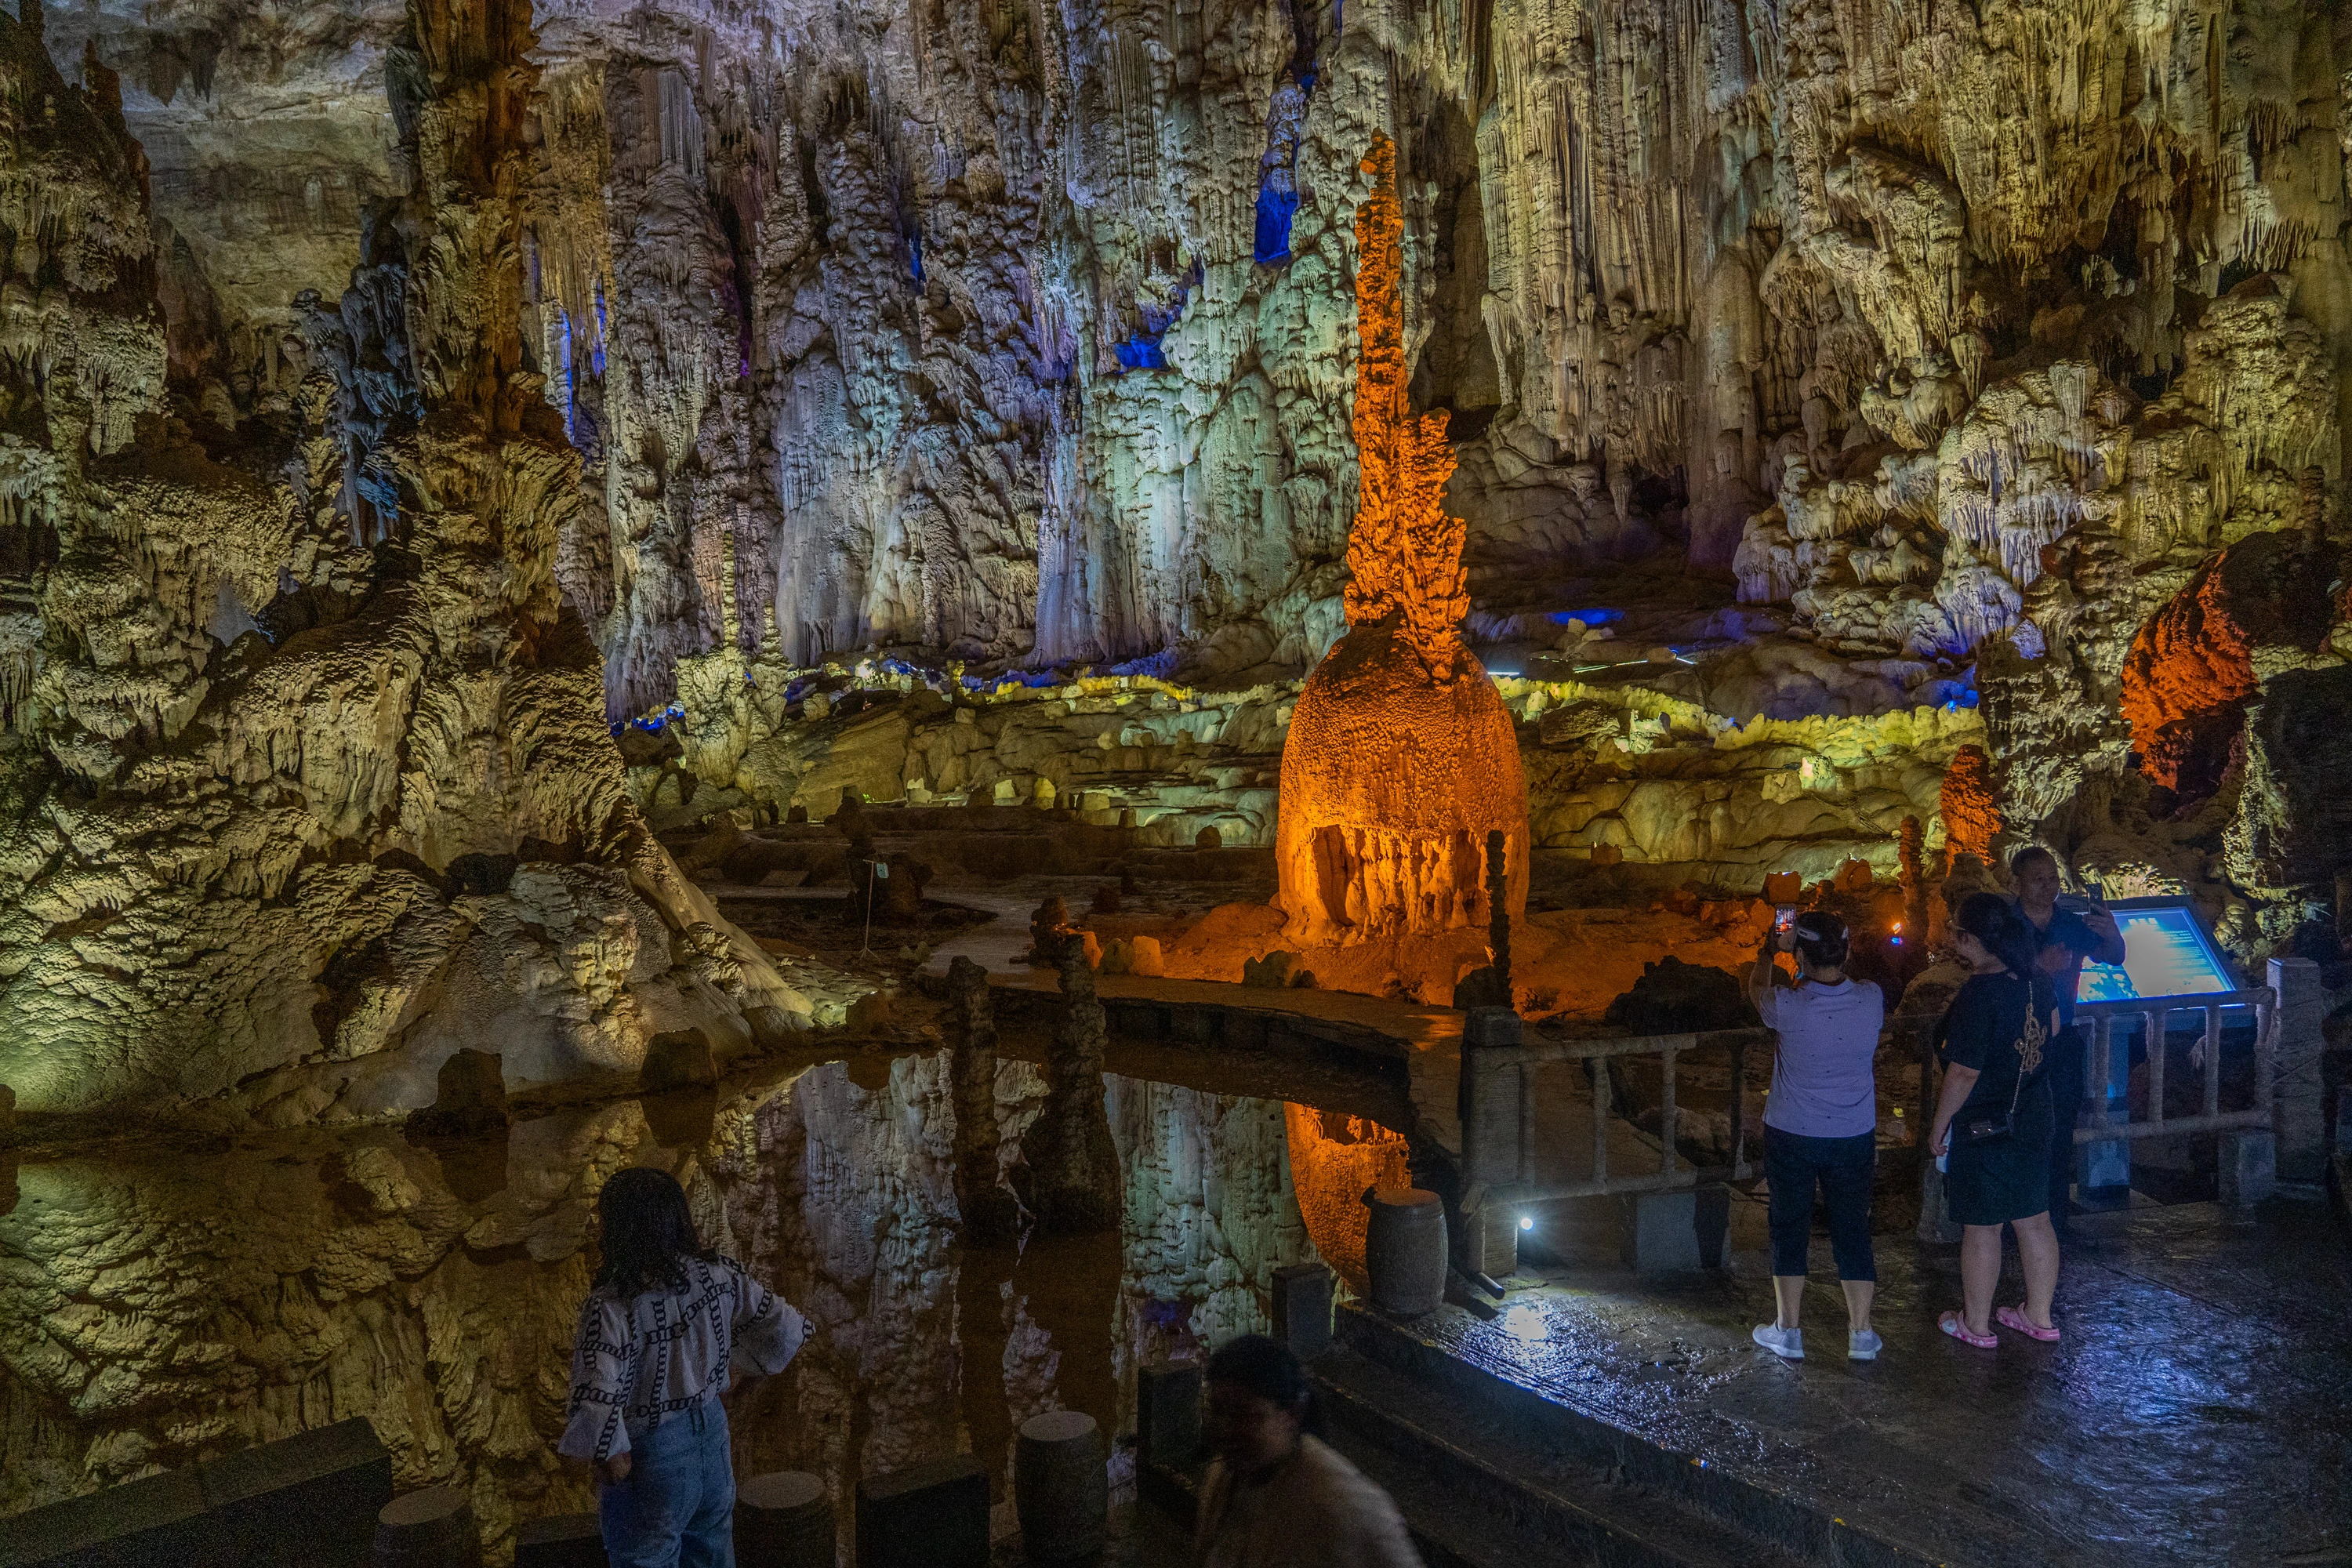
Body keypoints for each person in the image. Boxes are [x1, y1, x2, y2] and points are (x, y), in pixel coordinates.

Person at [561, 1167, 807, 1568]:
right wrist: (725, 1372)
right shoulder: (718, 1276)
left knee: (647, 1557)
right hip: (712, 1439)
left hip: (653, 1456)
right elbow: (785, 1327)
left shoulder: (614, 1304)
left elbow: (598, 1394)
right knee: (712, 1555)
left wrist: (611, 1459)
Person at [1744, 911, 1886, 1362]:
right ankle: (1861, 1334)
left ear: (1800, 955)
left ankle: (1788, 1330)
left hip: (1793, 1132)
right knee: (1852, 1228)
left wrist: (1771, 951)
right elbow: (1844, 981)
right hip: (1853, 1133)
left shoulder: (1787, 1005)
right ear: (1846, 952)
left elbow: (1755, 991)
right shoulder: (1872, 999)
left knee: (1789, 1226)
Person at [1929, 893, 2065, 1348]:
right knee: (2034, 1217)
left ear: (1974, 940)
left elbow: (1964, 1071)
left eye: (1956, 930)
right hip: (2034, 1112)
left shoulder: (1978, 995)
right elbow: (2055, 1028)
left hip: (1986, 1123)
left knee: (1983, 1225)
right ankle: (2039, 1316)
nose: (1951, 937)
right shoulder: (2036, 979)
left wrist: (1938, 1125)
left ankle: (1978, 1324)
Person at [1194, 1334, 1422, 1568]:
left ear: (1293, 1413)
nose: (1224, 1429)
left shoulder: (1341, 1506)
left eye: (1243, 1415)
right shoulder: (1226, 1477)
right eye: (1217, 1411)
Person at [2008, 848, 2126, 1226]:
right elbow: (1987, 973)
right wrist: (2037, 966)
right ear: (2017, 883)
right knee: (2016, 1131)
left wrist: (2112, 933)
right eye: (2038, 880)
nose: (2048, 887)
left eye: (2053, 879)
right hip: (2013, 1042)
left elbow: (2114, 957)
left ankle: (2053, 1220)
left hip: (2061, 1043)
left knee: (2059, 1133)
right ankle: (2014, 1219)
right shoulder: (2004, 925)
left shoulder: (2070, 924)